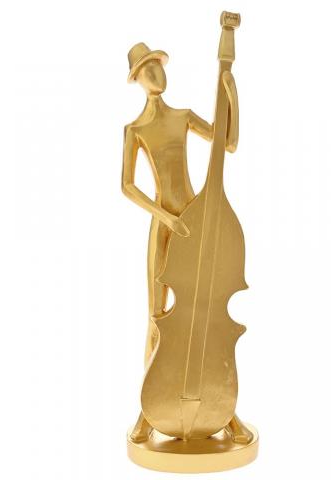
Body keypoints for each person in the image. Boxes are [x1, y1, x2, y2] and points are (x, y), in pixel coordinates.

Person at [122, 42, 252, 444]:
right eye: (147, 70)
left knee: (206, 309)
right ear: (138, 80)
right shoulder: (135, 130)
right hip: (165, 227)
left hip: (194, 221)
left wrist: (231, 94)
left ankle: (225, 409)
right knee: (157, 318)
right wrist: (166, 218)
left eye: (158, 65)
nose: (156, 73)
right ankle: (147, 413)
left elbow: (226, 144)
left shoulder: (182, 117)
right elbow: (127, 186)